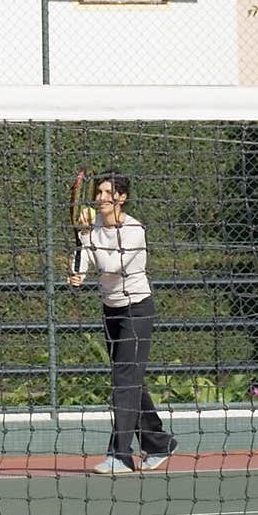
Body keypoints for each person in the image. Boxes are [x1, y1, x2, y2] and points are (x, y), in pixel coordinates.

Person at [67, 169, 177, 475]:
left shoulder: (134, 230)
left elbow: (112, 265)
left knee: (123, 382)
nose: (101, 198)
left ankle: (121, 455)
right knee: (129, 380)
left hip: (137, 310)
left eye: (107, 193)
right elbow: (88, 259)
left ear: (122, 198)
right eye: (98, 192)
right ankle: (158, 443)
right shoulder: (94, 225)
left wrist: (88, 237)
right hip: (110, 309)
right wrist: (79, 271)